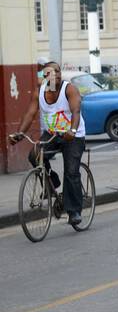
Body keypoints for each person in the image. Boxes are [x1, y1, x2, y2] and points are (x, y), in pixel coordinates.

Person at [8, 59, 85, 226]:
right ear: (45, 76)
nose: (55, 75)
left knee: (71, 171)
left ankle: (74, 211)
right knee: (34, 155)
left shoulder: (69, 89)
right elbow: (30, 114)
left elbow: (76, 111)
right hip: (52, 134)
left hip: (73, 136)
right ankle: (52, 183)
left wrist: (72, 130)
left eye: (57, 72)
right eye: (51, 73)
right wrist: (19, 133)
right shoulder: (40, 92)